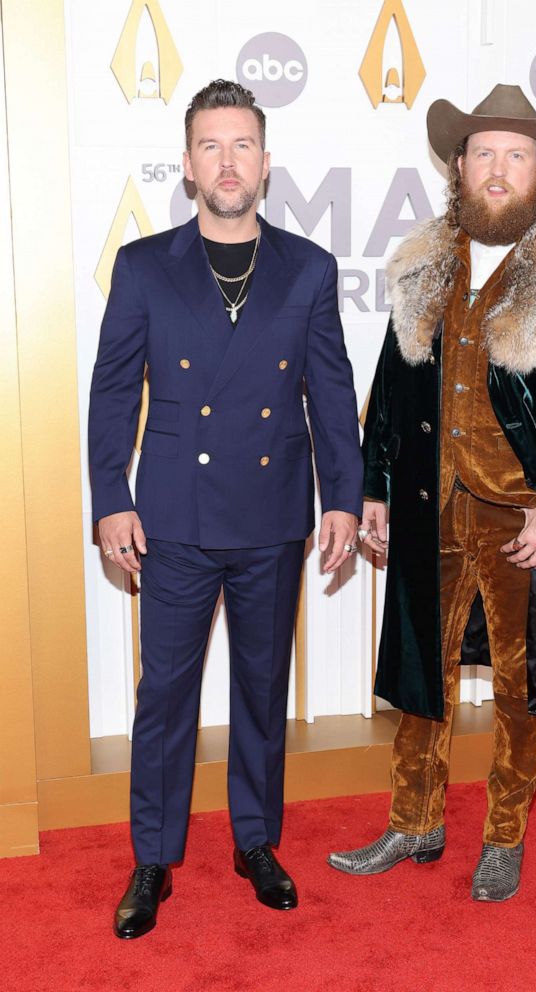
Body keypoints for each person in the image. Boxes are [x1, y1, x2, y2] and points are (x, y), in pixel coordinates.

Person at [328, 84, 536, 901]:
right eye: (483, 153)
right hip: (430, 509)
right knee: (419, 675)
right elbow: (389, 392)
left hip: (524, 516)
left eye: (516, 156)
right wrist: (377, 488)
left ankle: (503, 836)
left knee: (518, 688)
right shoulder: (422, 265)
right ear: (458, 166)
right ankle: (414, 822)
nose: (497, 170)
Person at [89, 79, 363, 938]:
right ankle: (153, 858)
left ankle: (254, 842)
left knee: (258, 687)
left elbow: (330, 390)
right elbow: (109, 395)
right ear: (186, 166)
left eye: (241, 144)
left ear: (266, 162)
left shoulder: (308, 268)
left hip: (272, 516)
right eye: (210, 146)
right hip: (169, 520)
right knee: (162, 697)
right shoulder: (143, 266)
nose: (227, 161)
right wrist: (110, 498)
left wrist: (344, 501)